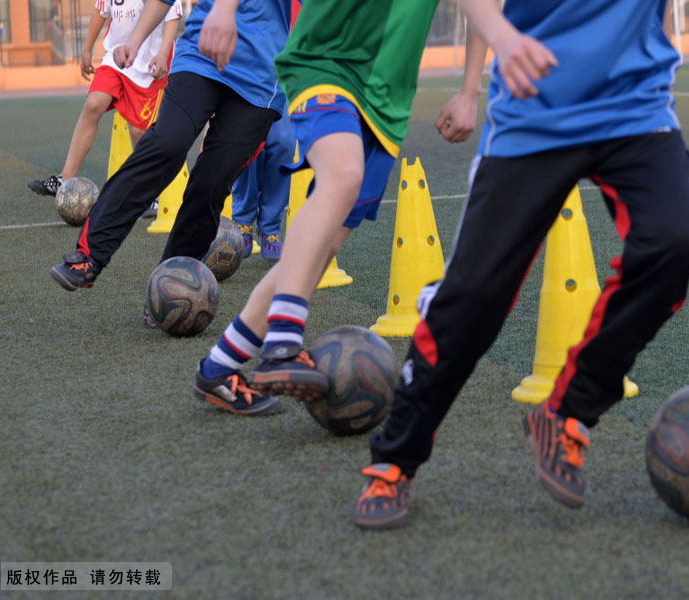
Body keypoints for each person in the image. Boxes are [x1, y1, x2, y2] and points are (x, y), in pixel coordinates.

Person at [353, 0, 689, 530]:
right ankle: (393, 460)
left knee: (673, 245)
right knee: (473, 299)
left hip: (637, 108)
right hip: (534, 111)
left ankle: (567, 413)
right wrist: (499, 40)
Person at [191, 1, 487, 417]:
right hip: (323, 60)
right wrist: (223, 9)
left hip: (387, 100)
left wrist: (471, 89)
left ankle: (219, 368)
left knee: (322, 248)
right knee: (343, 174)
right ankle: (282, 343)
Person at [48, 0, 292, 298]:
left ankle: (172, 285)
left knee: (212, 182)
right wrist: (134, 41)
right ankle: (91, 255)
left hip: (261, 79)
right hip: (201, 57)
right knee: (166, 143)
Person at [28, 0, 181, 220]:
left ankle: (149, 197)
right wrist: (88, 49)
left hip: (149, 66)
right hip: (116, 57)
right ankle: (66, 178)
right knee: (93, 104)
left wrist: (163, 52)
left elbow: (172, 15)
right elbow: (101, 11)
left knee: (139, 132)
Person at [230, 117, 295, 263]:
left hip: (282, 94)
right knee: (251, 140)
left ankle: (270, 228)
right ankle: (243, 221)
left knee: (284, 144)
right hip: (249, 96)